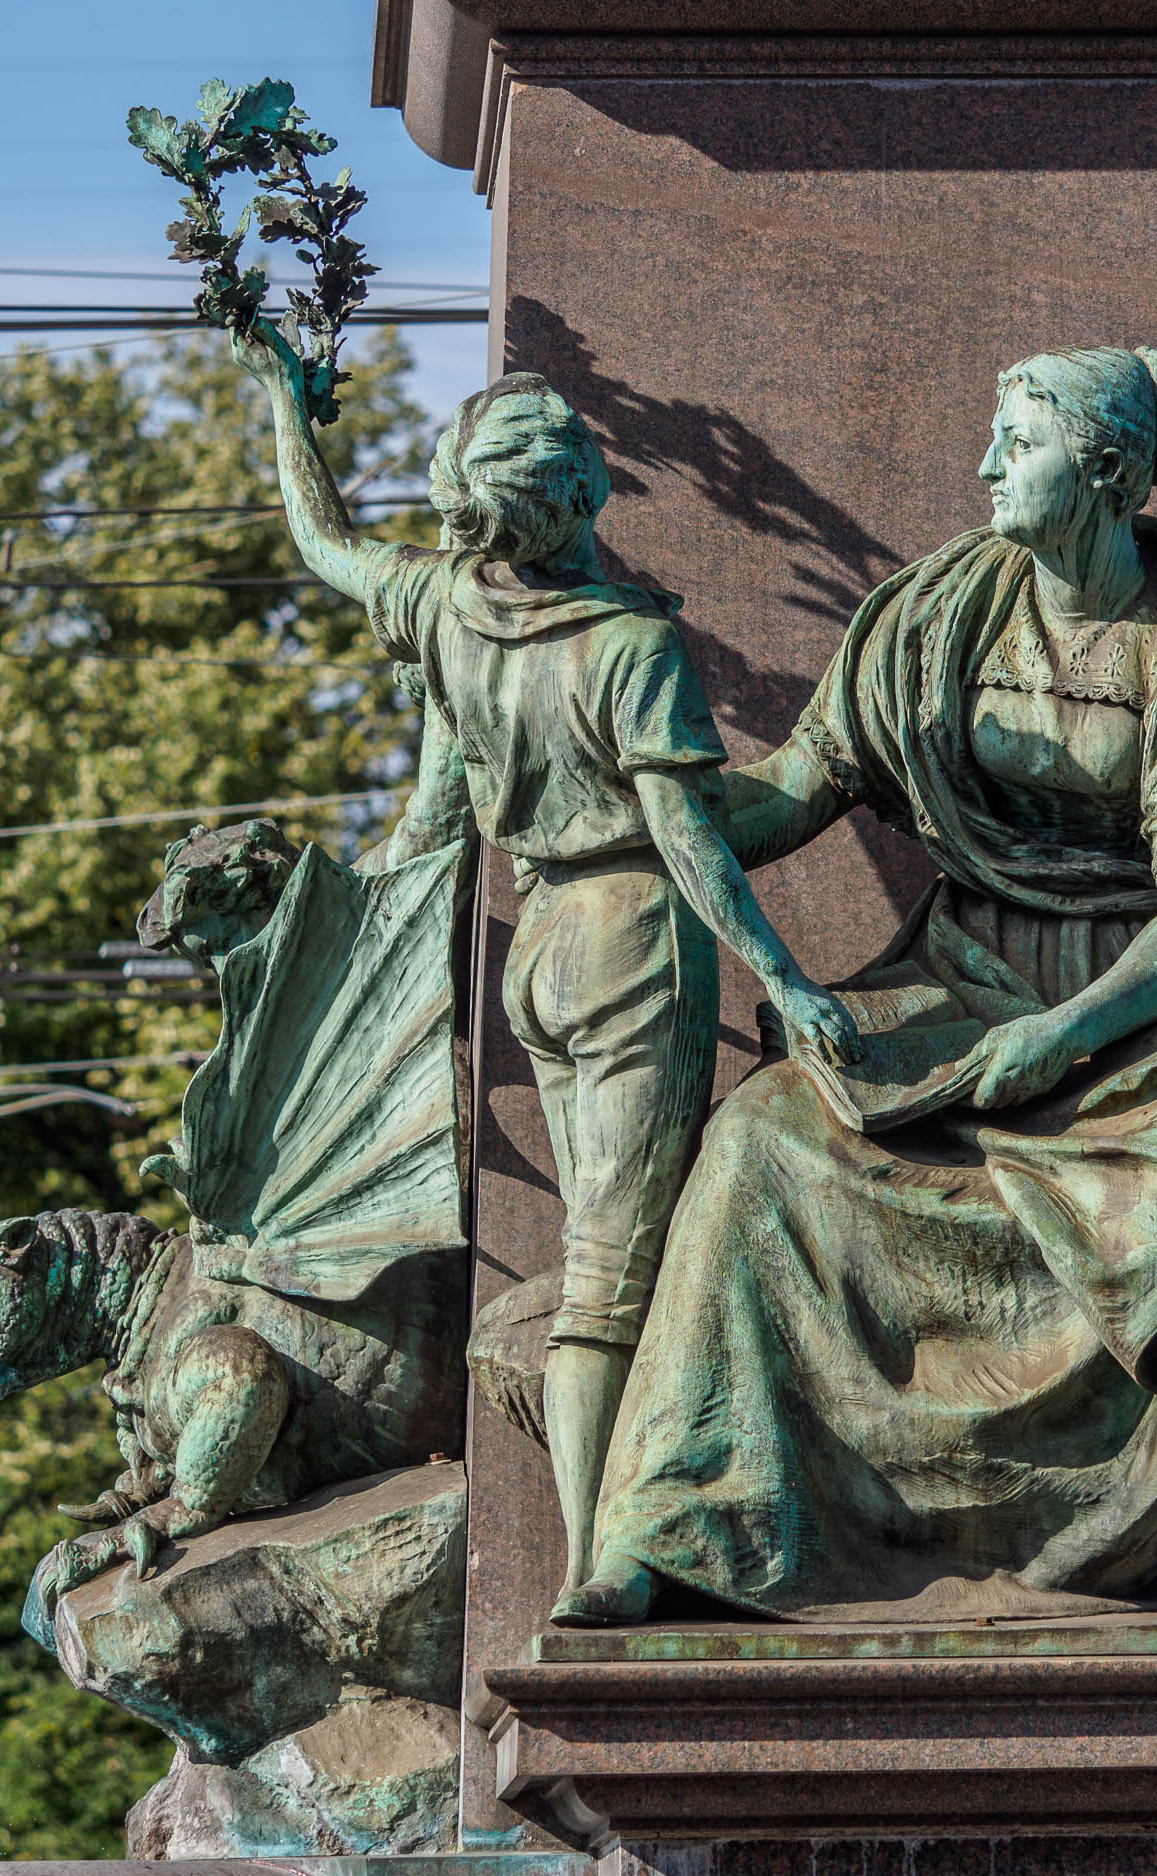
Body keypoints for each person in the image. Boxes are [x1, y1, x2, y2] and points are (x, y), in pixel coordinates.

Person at [560, 346, 1157, 1628]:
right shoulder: (934, 615)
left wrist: (1064, 1036)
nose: (980, 467)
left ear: (1103, 468)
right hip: (959, 977)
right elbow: (797, 790)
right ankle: (683, 1522)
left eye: (1012, 442)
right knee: (757, 1146)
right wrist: (652, 804)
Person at [232, 326, 857, 1621]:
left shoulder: (447, 608)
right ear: (577, 500)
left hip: (543, 956)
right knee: (614, 1272)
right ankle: (606, 1564)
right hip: (634, 940)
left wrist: (283, 405)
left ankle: (625, 1538)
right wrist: (787, 979)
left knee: (596, 1254)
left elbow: (320, 541)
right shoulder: (630, 651)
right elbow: (693, 840)